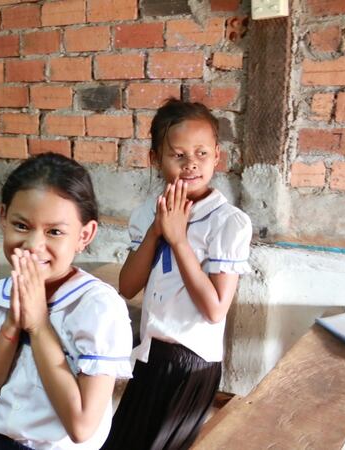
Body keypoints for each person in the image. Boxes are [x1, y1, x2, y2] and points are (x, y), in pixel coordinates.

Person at [103, 99, 252, 450]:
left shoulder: (228, 223)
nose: (191, 164)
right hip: (151, 354)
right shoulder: (147, 213)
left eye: (202, 153)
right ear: (155, 158)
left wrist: (178, 239)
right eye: (178, 155)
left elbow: (215, 309)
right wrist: (157, 230)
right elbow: (128, 286)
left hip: (192, 364)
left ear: (217, 156)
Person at [0, 153, 133, 450]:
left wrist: (39, 325)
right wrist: (12, 324)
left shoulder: (98, 310)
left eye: (54, 231)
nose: (33, 245)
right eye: (21, 225)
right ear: (3, 217)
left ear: (84, 235)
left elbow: (81, 426)